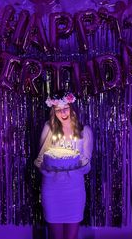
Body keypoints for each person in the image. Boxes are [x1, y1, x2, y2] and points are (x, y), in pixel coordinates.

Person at [35, 91, 93, 239]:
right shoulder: (49, 128)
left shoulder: (84, 131)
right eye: (58, 110)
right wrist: (50, 168)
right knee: (55, 236)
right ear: (54, 111)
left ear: (72, 108)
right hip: (52, 190)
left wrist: (74, 164)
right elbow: (40, 160)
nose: (63, 112)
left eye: (66, 108)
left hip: (74, 190)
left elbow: (87, 166)